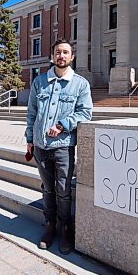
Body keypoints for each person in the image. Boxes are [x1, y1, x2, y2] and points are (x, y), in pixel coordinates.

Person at [25, 38, 93, 254]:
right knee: (47, 188)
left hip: (63, 146)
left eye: (65, 52)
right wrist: (29, 139)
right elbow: (32, 113)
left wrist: (62, 125)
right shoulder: (39, 82)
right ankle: (50, 225)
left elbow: (85, 112)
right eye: (57, 52)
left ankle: (65, 228)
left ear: (72, 57)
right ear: (52, 56)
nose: (61, 56)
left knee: (63, 191)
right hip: (40, 145)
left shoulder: (80, 84)